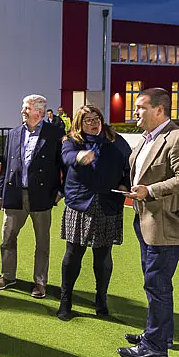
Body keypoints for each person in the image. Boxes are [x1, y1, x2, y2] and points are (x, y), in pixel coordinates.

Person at [118, 87, 179, 357]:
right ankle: (159, 334)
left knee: (157, 285)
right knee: (157, 283)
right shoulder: (146, 140)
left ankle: (154, 346)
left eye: (140, 107)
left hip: (168, 225)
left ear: (159, 109)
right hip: (147, 222)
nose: (135, 113)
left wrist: (150, 190)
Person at [57, 105, 131, 321]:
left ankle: (101, 300)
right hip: (79, 204)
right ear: (79, 123)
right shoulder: (71, 140)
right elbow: (67, 157)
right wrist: (80, 156)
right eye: (87, 119)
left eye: (96, 118)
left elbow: (129, 165)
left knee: (103, 256)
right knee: (73, 254)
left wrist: (125, 184)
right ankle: (65, 300)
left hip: (108, 203)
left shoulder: (115, 140)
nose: (93, 123)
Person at [0, 94, 65, 299]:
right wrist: (0, 192)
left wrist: (60, 192)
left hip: (42, 196)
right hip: (14, 194)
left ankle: (40, 283)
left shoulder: (55, 133)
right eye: (23, 108)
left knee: (42, 243)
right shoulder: (14, 133)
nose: (22, 111)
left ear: (39, 112)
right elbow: (6, 166)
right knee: (7, 237)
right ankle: (7, 276)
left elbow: (64, 165)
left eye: (26, 108)